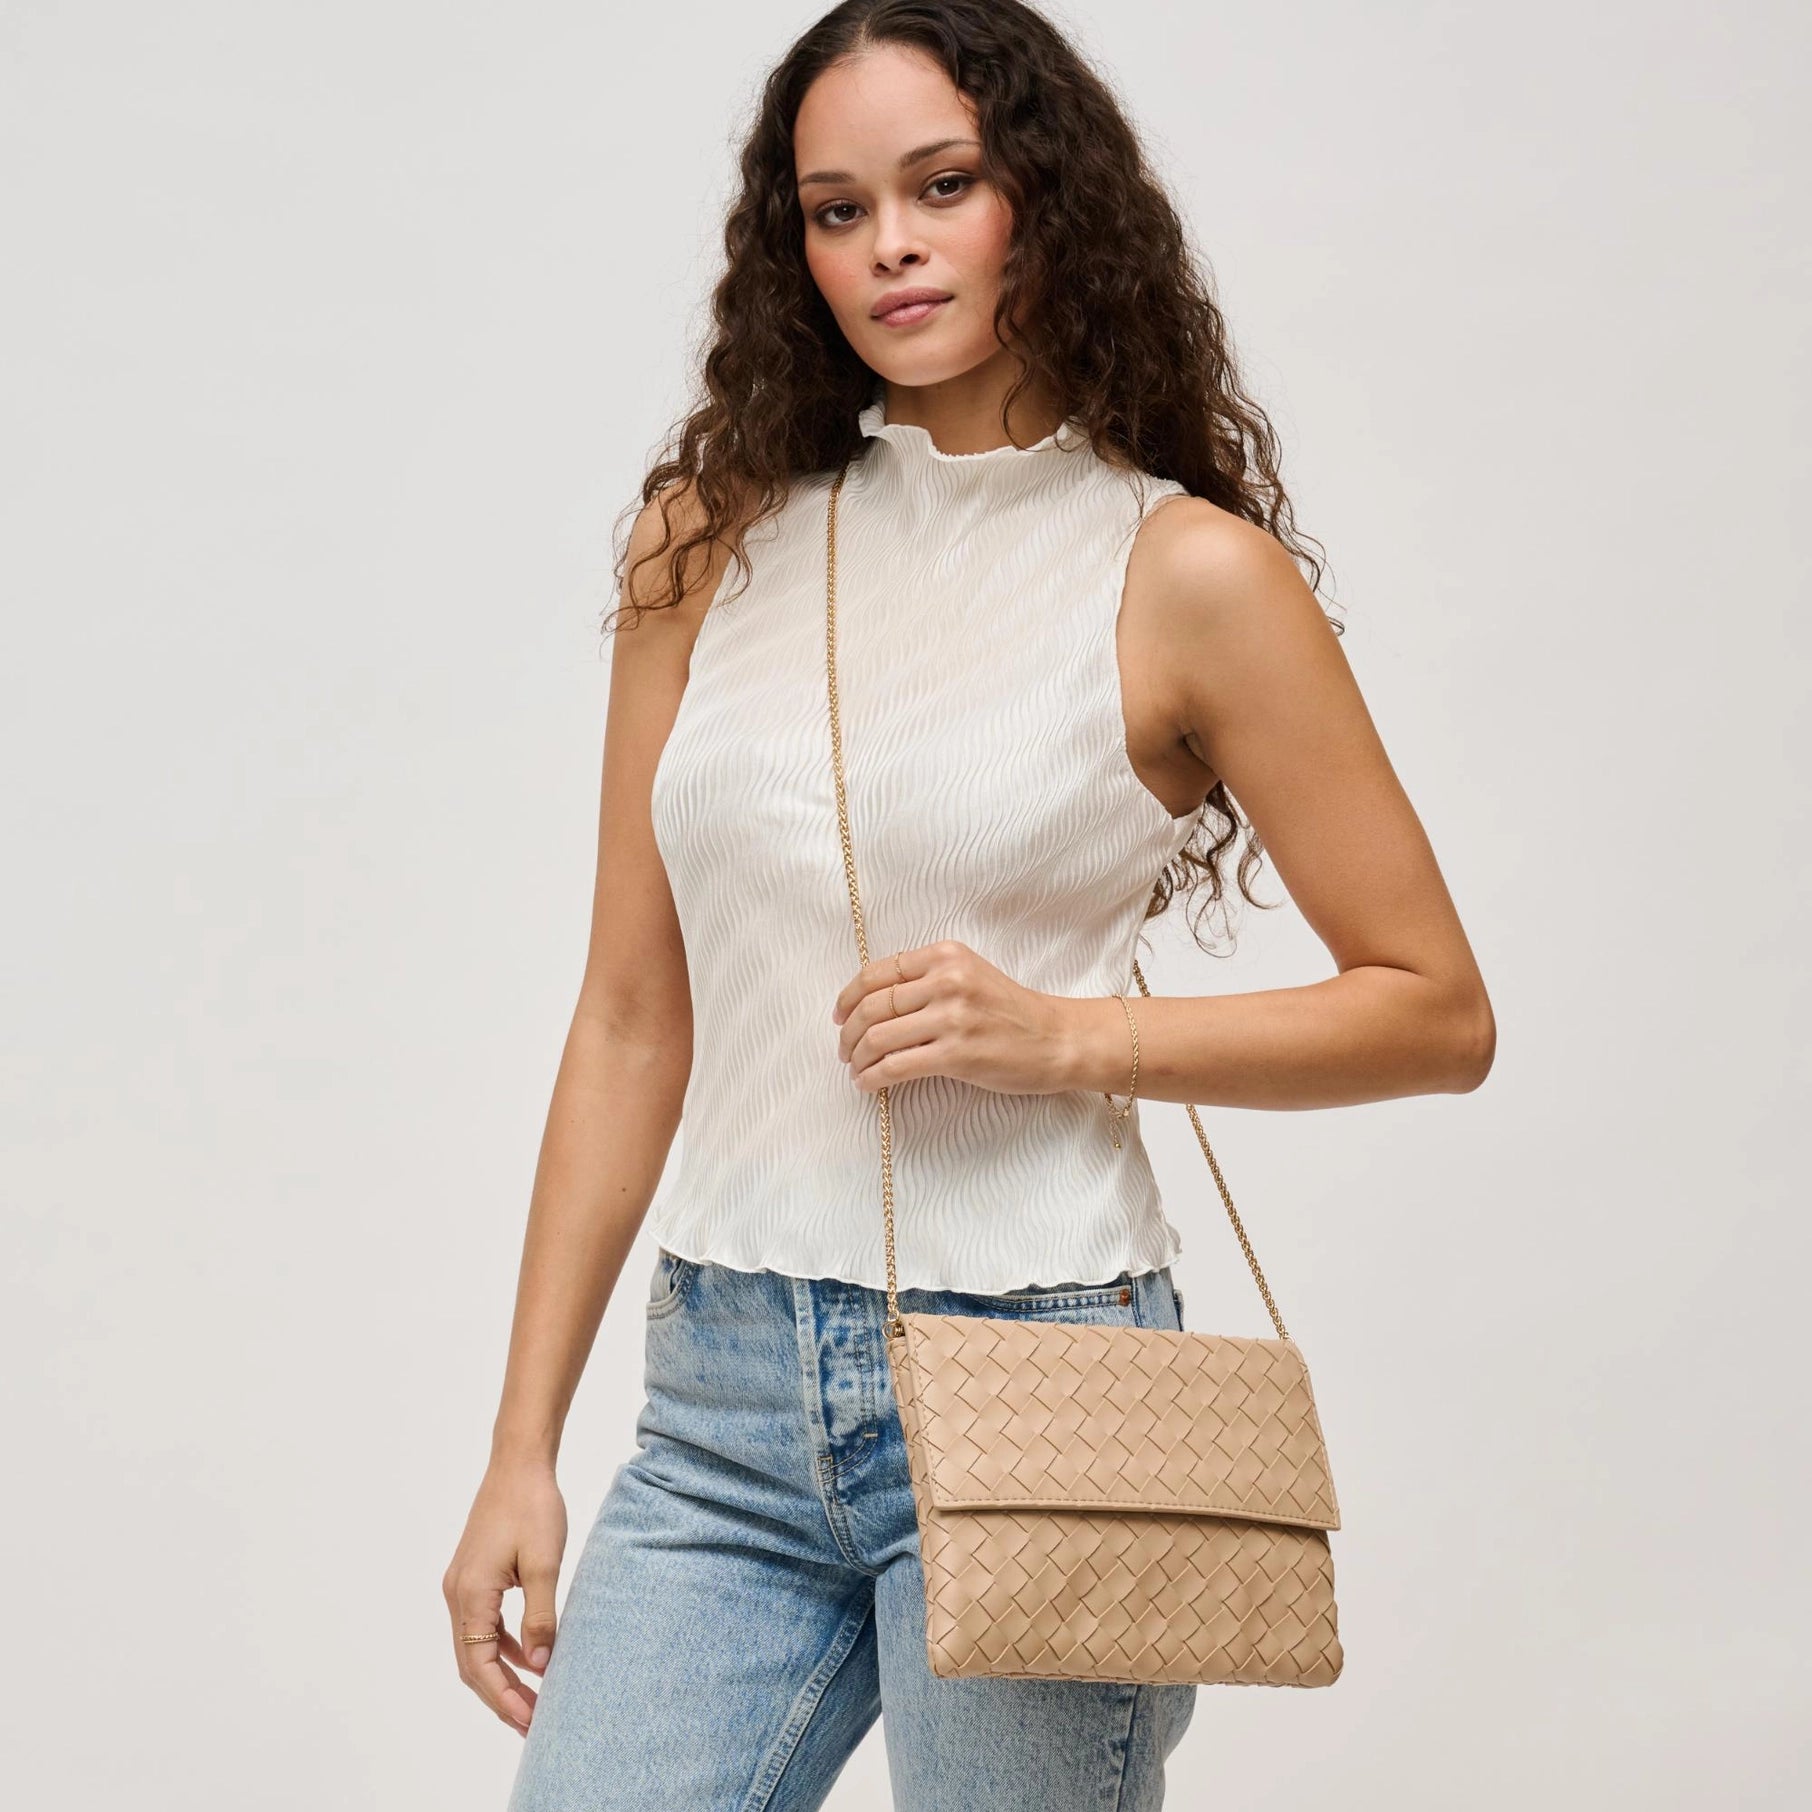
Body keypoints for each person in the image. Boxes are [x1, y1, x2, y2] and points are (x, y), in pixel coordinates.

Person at [443, 2, 1496, 1805]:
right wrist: (519, 1445)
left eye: (944, 186)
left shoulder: (1185, 574)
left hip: (1042, 1378)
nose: (892, 247)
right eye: (837, 209)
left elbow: (1434, 1009)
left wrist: (1066, 1038)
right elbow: (629, 1011)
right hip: (724, 1395)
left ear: (1046, 202)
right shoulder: (710, 536)